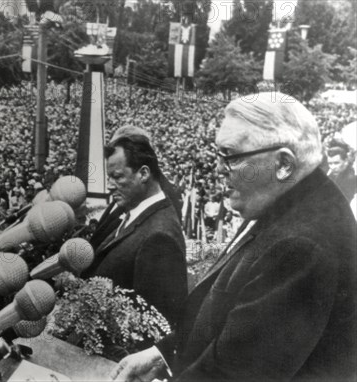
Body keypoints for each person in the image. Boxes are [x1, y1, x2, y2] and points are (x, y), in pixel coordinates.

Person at [112, 92, 356, 381]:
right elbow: (228, 311)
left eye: (230, 156)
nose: (217, 169)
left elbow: (234, 372)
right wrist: (166, 354)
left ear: (283, 164)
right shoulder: (281, 197)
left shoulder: (300, 246)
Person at [82, 129, 188, 326]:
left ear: (144, 173)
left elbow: (154, 325)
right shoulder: (137, 211)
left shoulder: (159, 238)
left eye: (118, 177)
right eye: (109, 177)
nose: (110, 186)